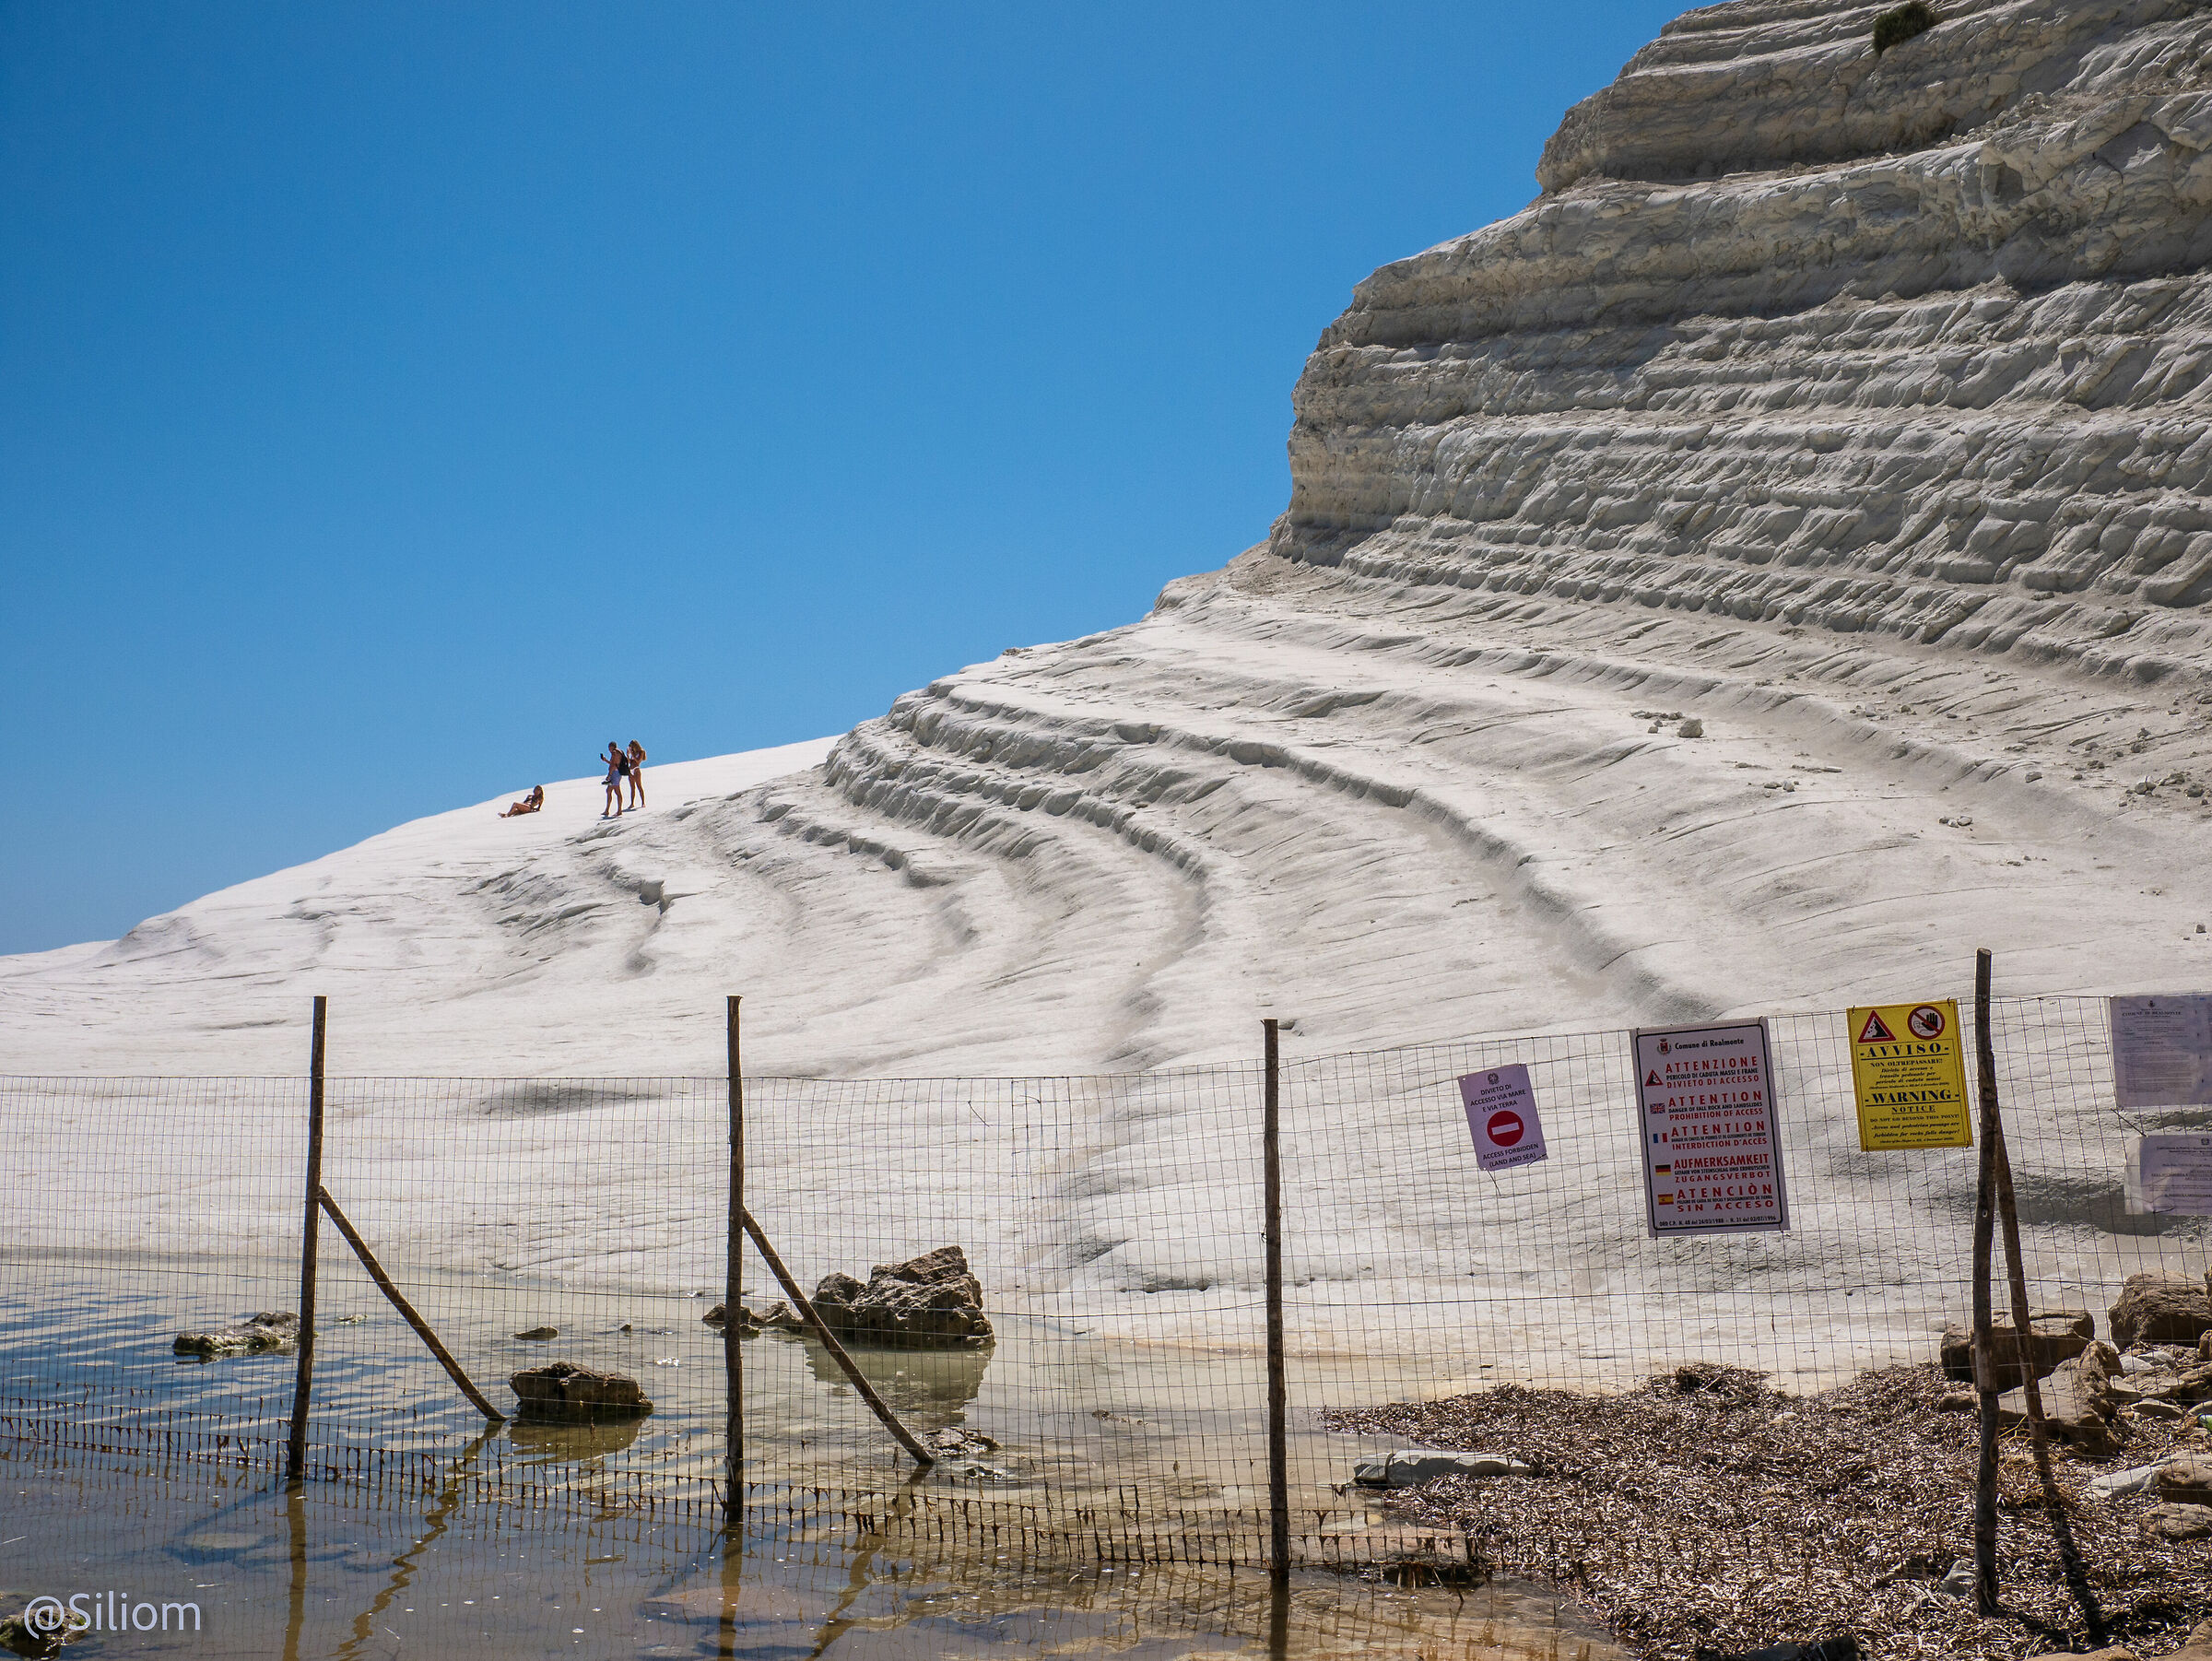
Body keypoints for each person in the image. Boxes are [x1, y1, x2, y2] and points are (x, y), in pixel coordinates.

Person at [602, 742, 627, 818]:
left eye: (609, 748)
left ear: (612, 747)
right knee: (609, 790)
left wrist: (609, 775)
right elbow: (614, 763)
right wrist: (605, 760)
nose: (609, 750)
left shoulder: (614, 753)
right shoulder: (620, 752)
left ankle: (619, 811)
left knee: (617, 791)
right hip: (617, 773)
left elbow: (613, 765)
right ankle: (607, 810)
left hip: (615, 774)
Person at [626, 740, 647, 809]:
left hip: (636, 769)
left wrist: (632, 753)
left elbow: (638, 761)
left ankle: (643, 802)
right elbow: (629, 762)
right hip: (630, 769)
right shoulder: (633, 753)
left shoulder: (641, 752)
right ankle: (632, 803)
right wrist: (628, 755)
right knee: (632, 787)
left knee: (639, 786)